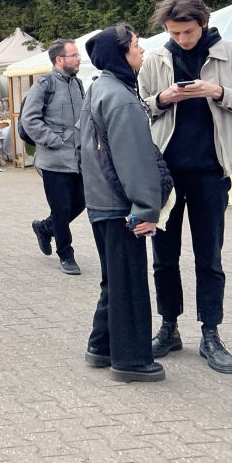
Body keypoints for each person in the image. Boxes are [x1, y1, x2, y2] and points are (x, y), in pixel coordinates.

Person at [138, 0, 232, 374]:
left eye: (188, 32)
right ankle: (169, 327)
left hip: (211, 173)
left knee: (209, 256)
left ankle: (211, 333)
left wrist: (219, 92)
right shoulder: (157, 59)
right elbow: (138, 108)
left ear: (204, 23)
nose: (182, 39)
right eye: (175, 33)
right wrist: (162, 99)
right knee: (163, 257)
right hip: (165, 176)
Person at [80, 24, 168, 382]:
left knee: (114, 279)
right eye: (135, 45)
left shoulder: (99, 88)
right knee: (129, 283)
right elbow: (134, 159)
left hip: (101, 200)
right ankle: (130, 360)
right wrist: (146, 209)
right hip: (120, 206)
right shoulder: (120, 96)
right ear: (120, 54)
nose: (141, 50)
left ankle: (101, 346)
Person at [21, 39, 86, 275]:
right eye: (74, 55)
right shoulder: (44, 85)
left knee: (81, 202)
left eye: (78, 55)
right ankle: (66, 254)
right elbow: (29, 119)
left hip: (78, 159)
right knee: (61, 208)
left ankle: (45, 228)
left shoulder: (78, 84)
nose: (78, 59)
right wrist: (53, 140)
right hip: (53, 160)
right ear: (59, 59)